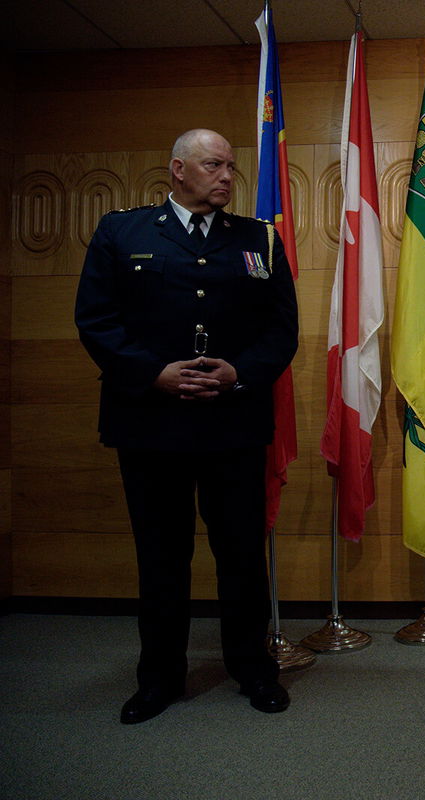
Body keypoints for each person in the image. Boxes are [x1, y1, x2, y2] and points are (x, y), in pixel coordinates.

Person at [75, 129, 299, 724]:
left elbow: (281, 330)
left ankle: (253, 669)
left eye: (230, 166)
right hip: (151, 426)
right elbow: (96, 320)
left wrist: (238, 373)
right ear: (177, 169)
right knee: (161, 556)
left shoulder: (259, 239)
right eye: (212, 164)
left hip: (233, 425)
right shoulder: (122, 232)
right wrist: (154, 374)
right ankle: (160, 679)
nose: (226, 175)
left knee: (243, 557)